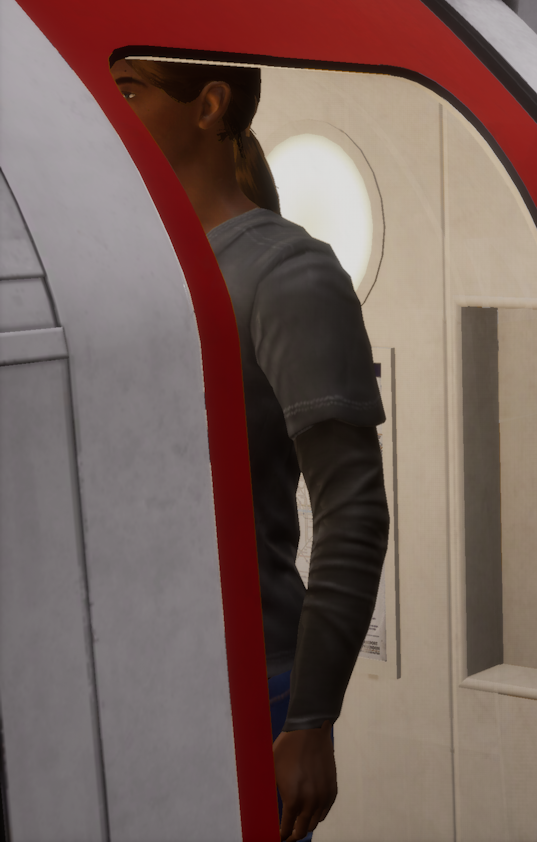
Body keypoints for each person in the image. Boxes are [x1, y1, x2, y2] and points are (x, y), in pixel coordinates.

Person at [112, 55, 389, 842]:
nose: (107, 109)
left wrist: (310, 720)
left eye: (128, 90)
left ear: (209, 105)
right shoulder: (136, 265)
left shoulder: (287, 274)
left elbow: (353, 509)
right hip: (137, 679)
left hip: (249, 685)